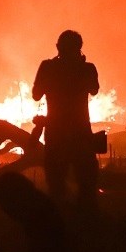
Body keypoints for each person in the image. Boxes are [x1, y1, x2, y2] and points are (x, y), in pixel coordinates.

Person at [32, 30, 100, 207]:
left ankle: (57, 223)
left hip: (56, 132)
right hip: (81, 132)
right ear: (79, 48)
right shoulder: (87, 68)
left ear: (58, 47)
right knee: (86, 184)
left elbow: (36, 94)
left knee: (56, 184)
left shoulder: (48, 67)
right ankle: (86, 223)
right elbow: (94, 89)